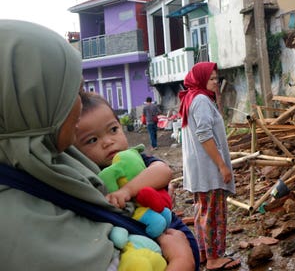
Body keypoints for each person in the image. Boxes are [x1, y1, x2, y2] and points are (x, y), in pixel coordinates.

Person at [0, 19, 194, 271]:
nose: (81, 106)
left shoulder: (58, 162)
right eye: (72, 93)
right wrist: (182, 261)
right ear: (31, 106)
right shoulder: (18, 229)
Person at [178, 62, 239, 270]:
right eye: (211, 78)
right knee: (213, 212)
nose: (215, 82)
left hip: (198, 169)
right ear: (201, 79)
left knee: (202, 211)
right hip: (208, 168)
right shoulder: (202, 100)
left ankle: (204, 253)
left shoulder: (192, 98)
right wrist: (222, 166)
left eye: (216, 78)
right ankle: (214, 258)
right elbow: (205, 136)